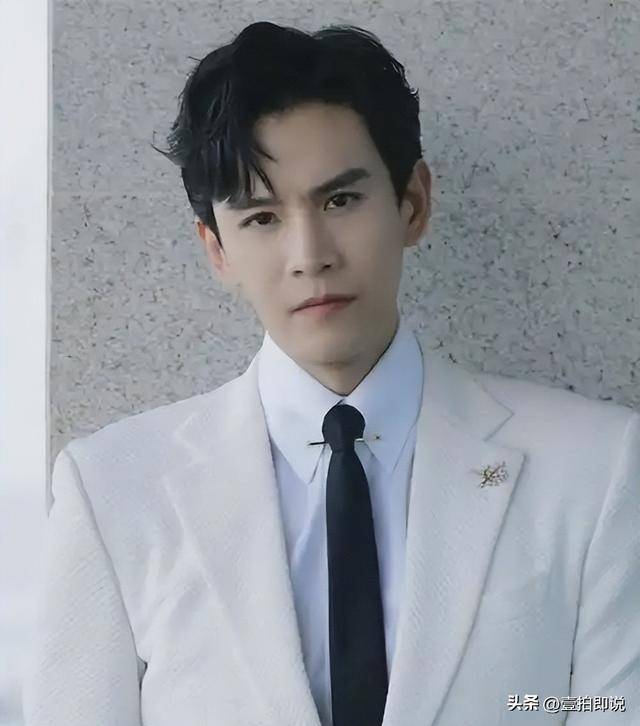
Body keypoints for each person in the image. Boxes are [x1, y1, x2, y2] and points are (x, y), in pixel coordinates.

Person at [23, 21, 639, 726]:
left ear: (413, 203)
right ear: (216, 249)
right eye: (261, 218)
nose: (309, 254)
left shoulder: (594, 469)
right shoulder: (114, 492)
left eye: (340, 200)